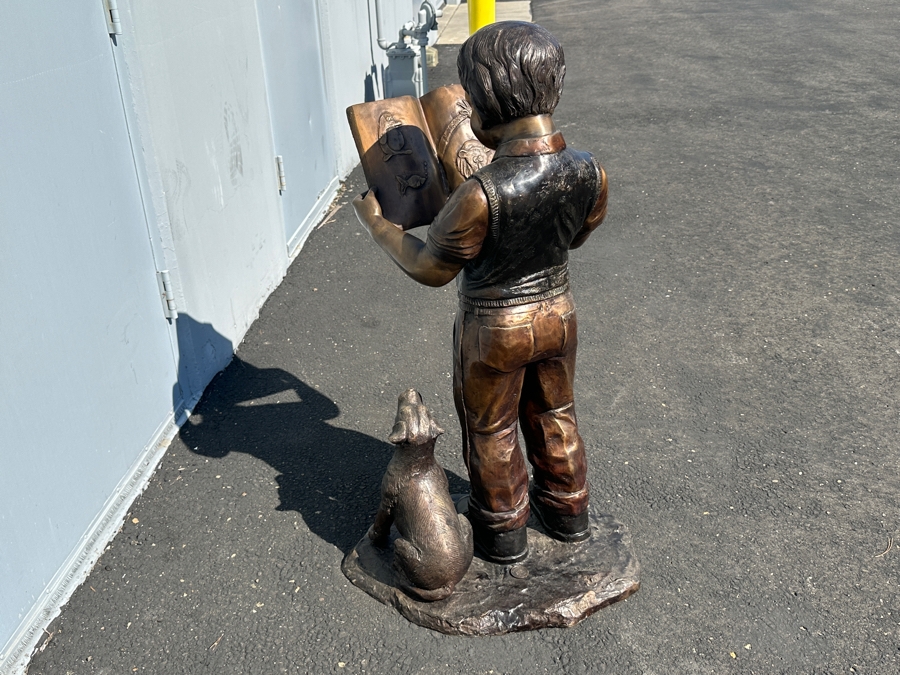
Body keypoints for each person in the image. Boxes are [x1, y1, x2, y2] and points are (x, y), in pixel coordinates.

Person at [352, 21, 608, 564]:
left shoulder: (479, 193)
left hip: (495, 328)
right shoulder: (589, 170)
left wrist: (381, 227)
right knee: (556, 412)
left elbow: (432, 268)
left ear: (487, 101)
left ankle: (502, 535)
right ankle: (569, 514)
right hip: (558, 313)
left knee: (491, 430)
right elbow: (579, 234)